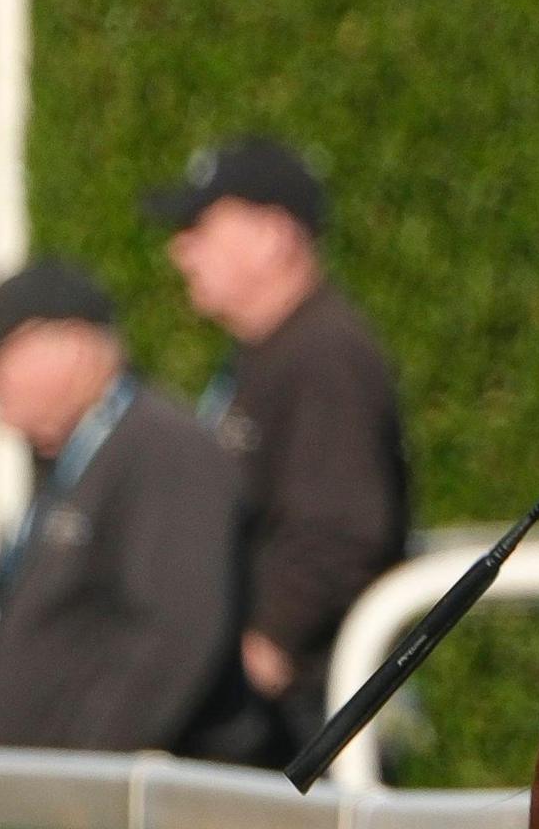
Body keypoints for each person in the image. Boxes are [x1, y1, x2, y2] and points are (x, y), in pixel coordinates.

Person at [146, 136, 412, 762]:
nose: (180, 250)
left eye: (200, 228)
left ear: (272, 236)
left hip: (297, 728)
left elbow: (341, 533)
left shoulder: (325, 356)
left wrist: (256, 654)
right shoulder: (266, 355)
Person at [0, 257, 264, 760]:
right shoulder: (76, 459)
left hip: (130, 788)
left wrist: (92, 771)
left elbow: (177, 633)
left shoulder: (163, 454)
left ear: (74, 345)